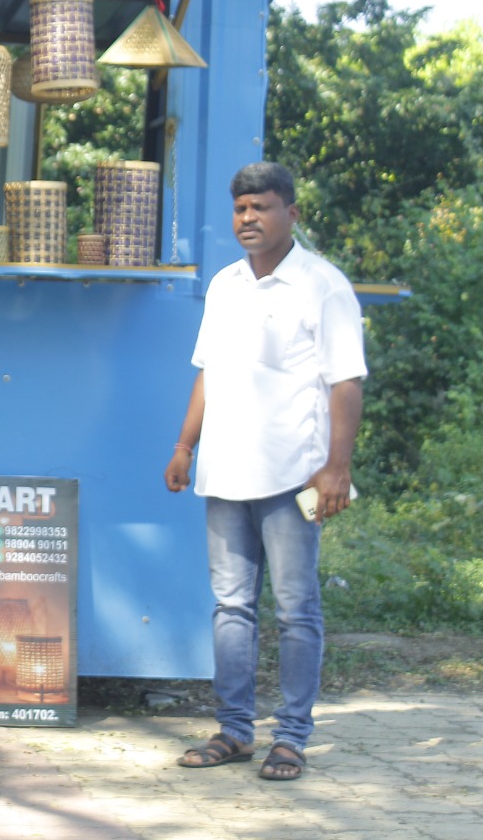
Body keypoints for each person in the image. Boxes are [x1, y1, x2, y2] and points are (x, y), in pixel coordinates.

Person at [164, 161, 366, 782]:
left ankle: (292, 738)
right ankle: (234, 730)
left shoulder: (323, 285)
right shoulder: (225, 285)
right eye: (241, 208)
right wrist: (184, 445)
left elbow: (346, 382)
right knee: (231, 607)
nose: (248, 218)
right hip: (224, 471)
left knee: (296, 608)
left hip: (293, 477)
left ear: (291, 213)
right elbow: (209, 371)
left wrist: (336, 468)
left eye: (262, 207)